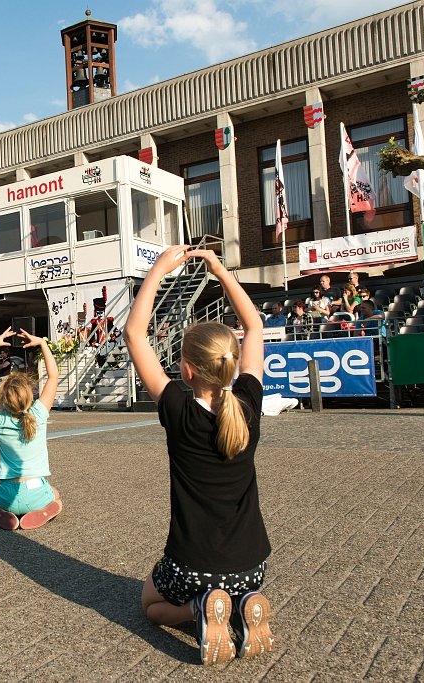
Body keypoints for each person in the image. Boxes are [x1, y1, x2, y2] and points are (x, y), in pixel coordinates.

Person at [126, 245, 273, 666]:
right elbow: (255, 327)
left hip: (193, 564)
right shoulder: (246, 404)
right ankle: (242, 605)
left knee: (149, 606)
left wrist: (157, 270)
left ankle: (201, 608)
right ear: (231, 364)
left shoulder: (178, 409)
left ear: (186, 370)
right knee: (235, 585)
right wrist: (220, 270)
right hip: (251, 566)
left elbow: (135, 334)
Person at [0, 327, 62, 531]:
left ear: (4, 397)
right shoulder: (38, 414)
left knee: (2, 500)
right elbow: (53, 376)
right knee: (55, 494)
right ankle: (45, 510)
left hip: (6, 493)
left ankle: (3, 511)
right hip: (35, 490)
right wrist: (43, 344)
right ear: (29, 395)